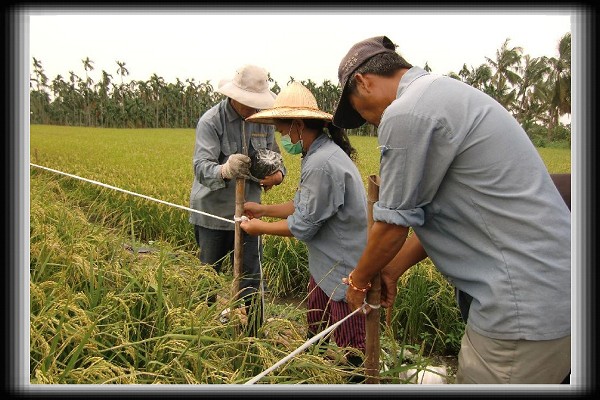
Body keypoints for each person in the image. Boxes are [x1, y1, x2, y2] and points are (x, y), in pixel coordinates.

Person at [332, 36, 571, 384]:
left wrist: (359, 279)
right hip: (555, 291)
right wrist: (392, 269)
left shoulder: (407, 111)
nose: (371, 122)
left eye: (361, 111)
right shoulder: (446, 94)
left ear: (362, 81)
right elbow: (446, 214)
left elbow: (393, 224)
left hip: (521, 306)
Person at [239, 82, 368, 380]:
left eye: (284, 132)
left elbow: (304, 226)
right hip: (324, 267)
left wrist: (260, 228)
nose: (284, 139)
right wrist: (262, 210)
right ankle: (313, 376)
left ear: (298, 125)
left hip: (343, 271)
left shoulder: (322, 163)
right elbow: (302, 204)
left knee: (353, 351)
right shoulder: (317, 154)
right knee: (316, 333)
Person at [189, 64, 286, 336]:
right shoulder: (212, 121)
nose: (252, 109)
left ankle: (254, 333)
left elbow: (275, 158)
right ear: (234, 96)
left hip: (248, 215)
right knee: (208, 275)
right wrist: (225, 170)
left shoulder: (262, 122)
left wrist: (278, 175)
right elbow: (200, 167)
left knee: (252, 277)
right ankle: (200, 331)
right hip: (213, 213)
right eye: (248, 103)